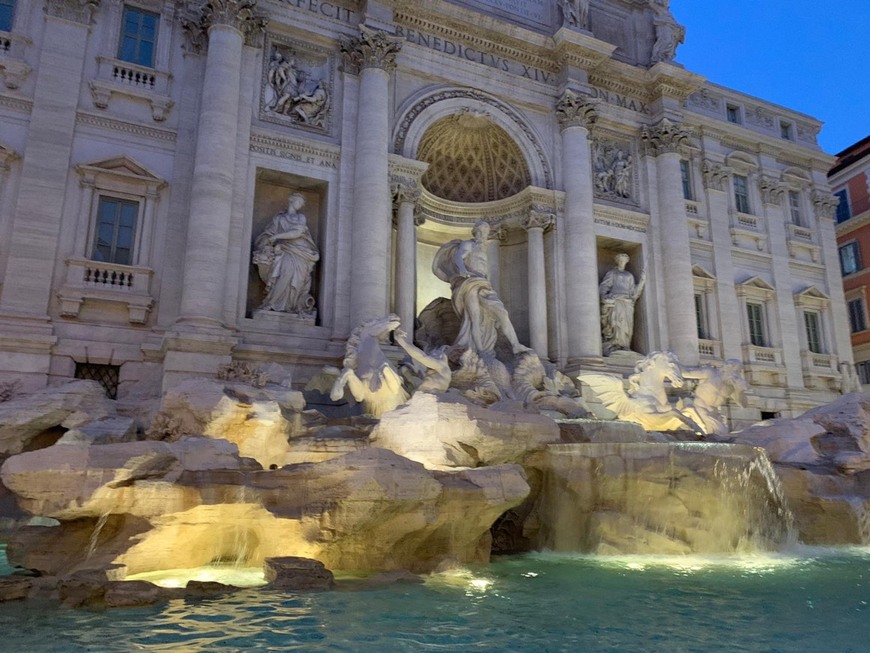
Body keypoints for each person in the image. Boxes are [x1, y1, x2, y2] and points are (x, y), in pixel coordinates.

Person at [432, 220, 530, 357]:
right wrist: (461, 270)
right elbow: (459, 257)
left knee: (502, 313)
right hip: (469, 282)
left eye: (485, 232)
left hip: (483, 283)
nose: (483, 235)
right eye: (481, 231)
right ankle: (479, 350)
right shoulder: (468, 244)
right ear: (476, 232)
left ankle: (516, 345)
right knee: (475, 317)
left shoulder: (484, 249)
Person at [253, 193, 320, 316]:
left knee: (297, 279)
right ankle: (271, 303)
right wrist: (267, 242)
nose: (300, 205)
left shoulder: (301, 217)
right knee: (285, 273)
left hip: (300, 252)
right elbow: (268, 234)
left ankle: (292, 306)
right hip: (283, 250)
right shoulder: (279, 218)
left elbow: (297, 232)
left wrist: (276, 237)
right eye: (298, 202)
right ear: (291, 200)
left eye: (302, 203)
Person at [599, 253, 646, 355]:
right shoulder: (612, 273)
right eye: (620, 261)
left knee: (626, 326)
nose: (622, 263)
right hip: (616, 301)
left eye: (624, 261)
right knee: (615, 323)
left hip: (627, 303)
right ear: (617, 261)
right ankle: (614, 345)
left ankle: (624, 345)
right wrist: (604, 297)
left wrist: (642, 281)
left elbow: (633, 292)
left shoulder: (629, 276)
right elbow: (604, 286)